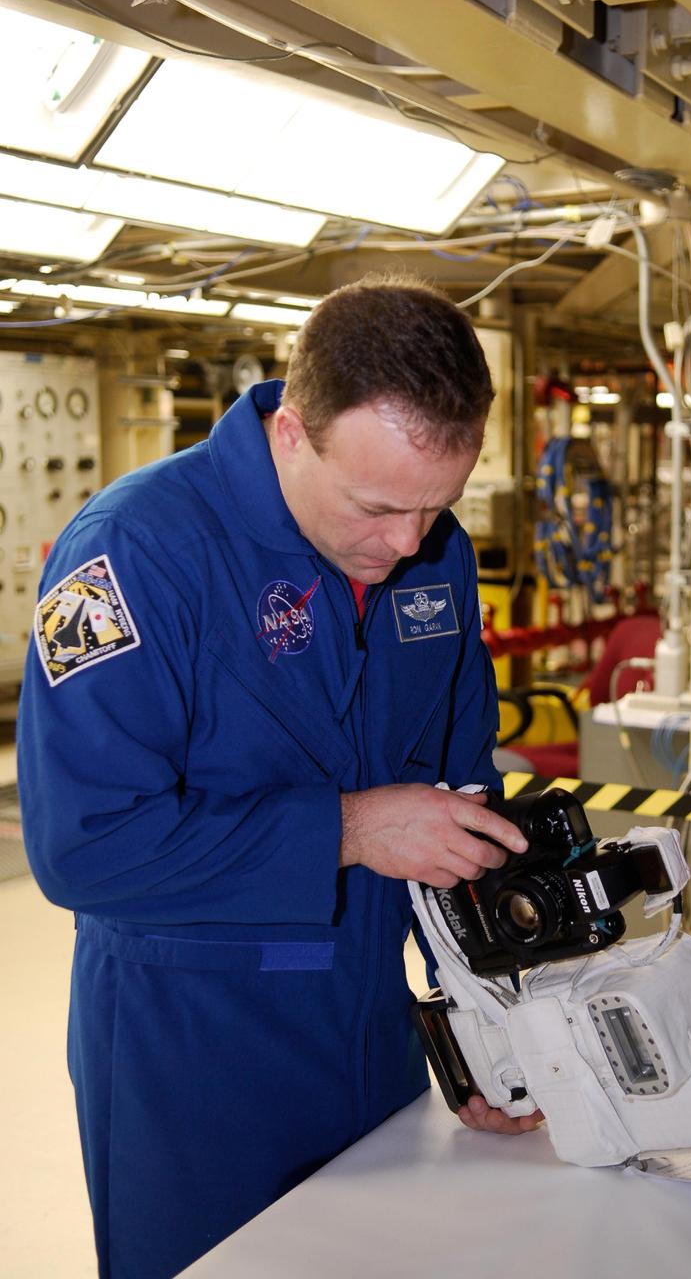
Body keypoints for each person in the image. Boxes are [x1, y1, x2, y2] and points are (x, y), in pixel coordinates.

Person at [18, 275, 541, 1279]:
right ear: (291, 433)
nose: (406, 542)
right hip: (195, 1059)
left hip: (372, 1032)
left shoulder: (435, 557)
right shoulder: (134, 553)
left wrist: (483, 1024)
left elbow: (460, 799)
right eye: (377, 505)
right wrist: (350, 830)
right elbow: (85, 849)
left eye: (436, 505)